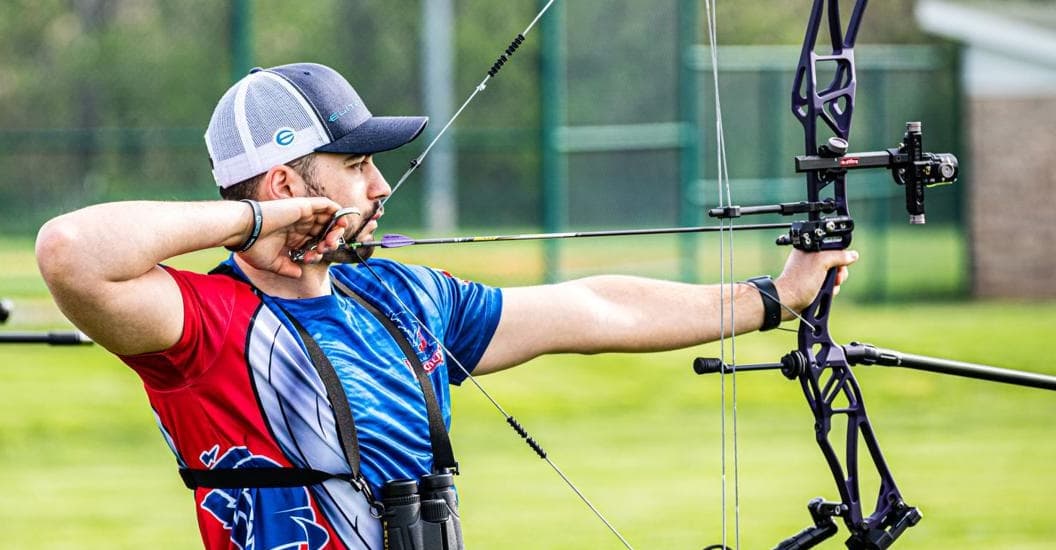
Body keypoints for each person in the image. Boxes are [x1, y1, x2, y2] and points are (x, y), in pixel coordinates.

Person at [35, 63, 857, 550]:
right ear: (289, 183)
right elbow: (71, 250)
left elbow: (595, 308)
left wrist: (773, 297)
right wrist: (263, 221)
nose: (380, 186)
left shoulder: (400, 296)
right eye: (357, 165)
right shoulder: (201, 325)